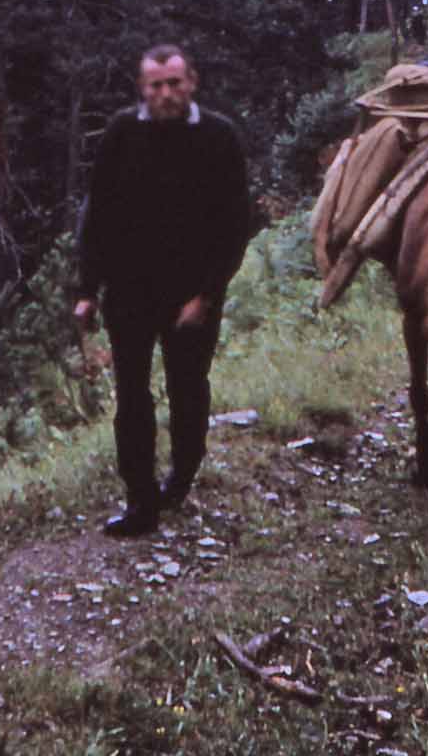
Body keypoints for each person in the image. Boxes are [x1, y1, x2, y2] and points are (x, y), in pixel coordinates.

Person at [73, 44, 256, 537]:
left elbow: (236, 225)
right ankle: (141, 502)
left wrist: (207, 295)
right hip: (129, 291)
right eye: (156, 85)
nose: (166, 94)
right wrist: (87, 288)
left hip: (191, 294)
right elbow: (99, 215)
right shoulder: (121, 133)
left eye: (174, 83)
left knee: (187, 390)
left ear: (191, 81)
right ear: (143, 89)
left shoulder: (219, 137)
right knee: (132, 396)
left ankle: (182, 475)